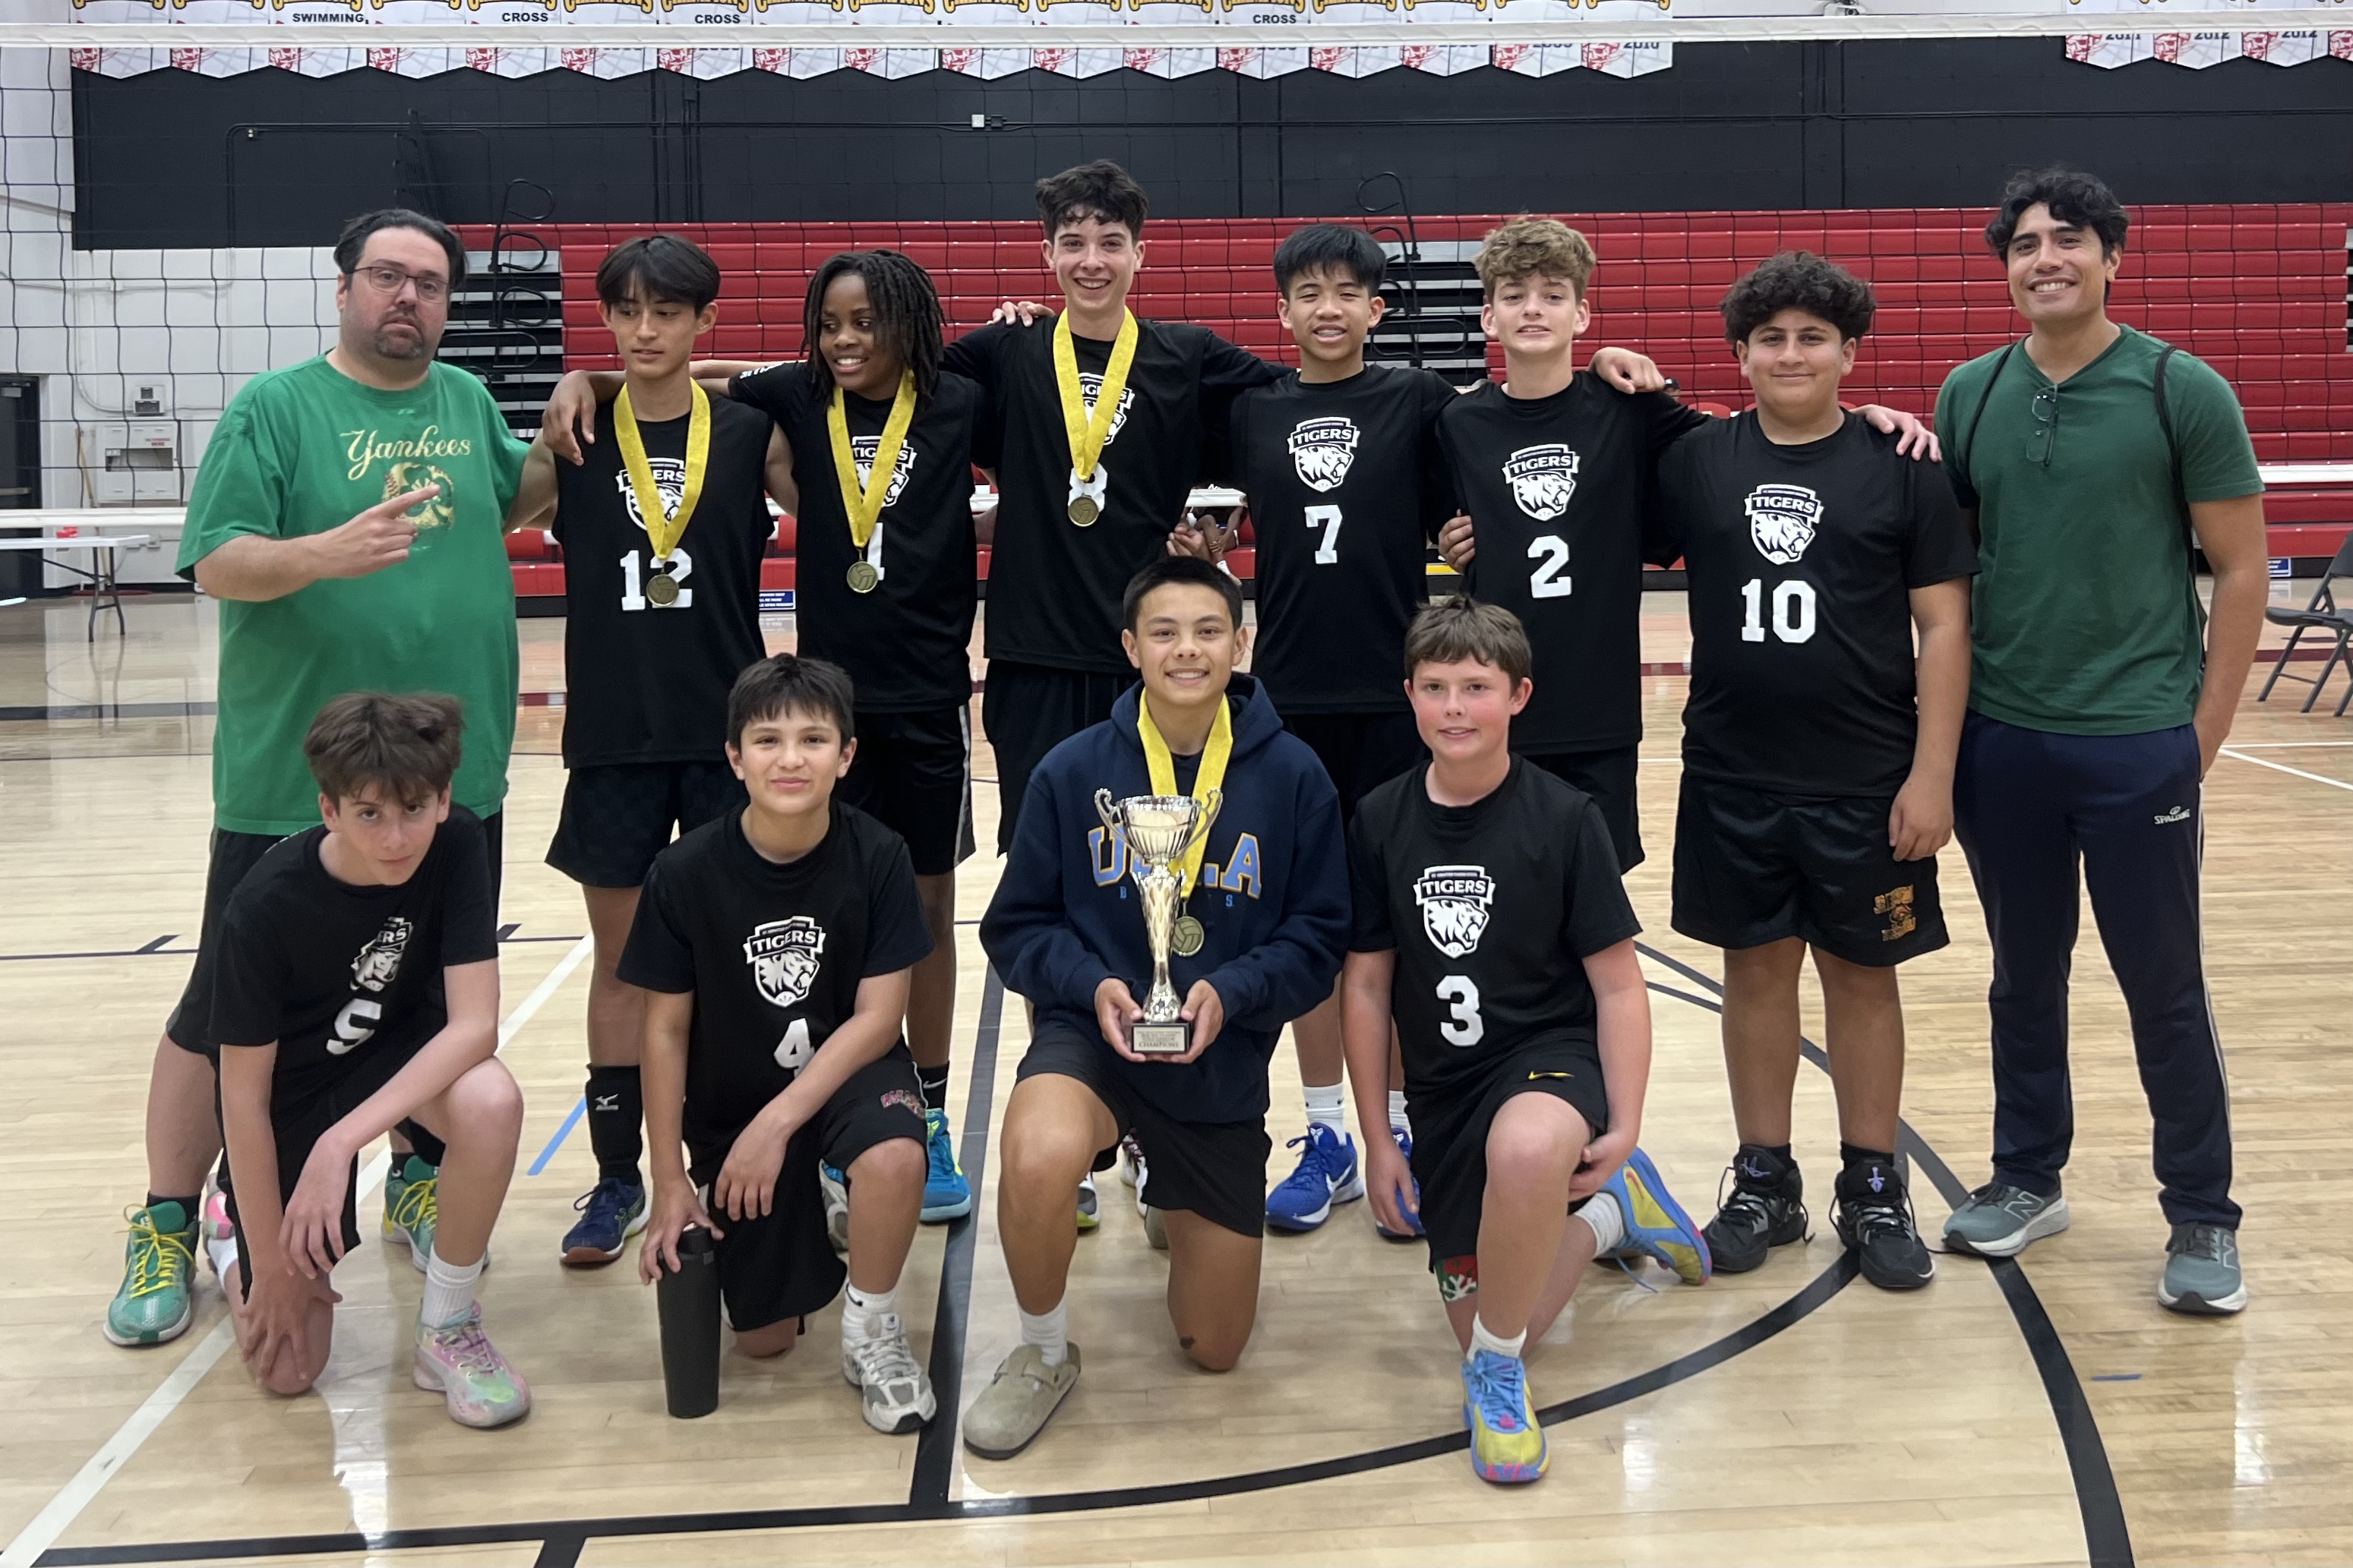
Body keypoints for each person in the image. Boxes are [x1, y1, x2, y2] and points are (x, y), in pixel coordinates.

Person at [109, 209, 533, 1349]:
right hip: (295, 784)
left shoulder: (467, 403)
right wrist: (323, 553)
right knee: (218, 1011)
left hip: (448, 783)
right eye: (387, 276)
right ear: (344, 288)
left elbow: (524, 494)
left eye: (430, 284)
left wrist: (592, 399)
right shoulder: (274, 407)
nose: (408, 298)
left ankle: (415, 1175)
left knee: (426, 1000)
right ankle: (167, 1216)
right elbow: (216, 561)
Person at [544, 249, 989, 1230]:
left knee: (911, 913)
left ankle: (911, 1113)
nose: (845, 341)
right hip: (777, 718)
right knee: (738, 940)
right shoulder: (782, 399)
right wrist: (585, 378)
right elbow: (671, 375)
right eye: (829, 324)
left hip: (904, 703)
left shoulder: (948, 403)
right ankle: (675, 1158)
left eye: (865, 322)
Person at [1931, 169, 2267, 1315]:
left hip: (2137, 742)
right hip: (2004, 741)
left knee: (2162, 986)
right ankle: (2027, 1177)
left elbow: (2239, 569)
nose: (2045, 258)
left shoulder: (2180, 387)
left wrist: (2202, 731)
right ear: (2005, 267)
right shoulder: (1969, 391)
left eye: (2067, 239)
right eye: (2023, 243)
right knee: (2022, 978)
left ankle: (2202, 1214)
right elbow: (1950, 576)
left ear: (2111, 257)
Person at [966, 557, 1347, 1460]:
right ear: (1130, 646)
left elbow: (1320, 935)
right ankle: (1041, 1351)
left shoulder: (1293, 775)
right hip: (1093, 1040)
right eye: (1164, 632)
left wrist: (1232, 989)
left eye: (1208, 631)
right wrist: (1089, 985)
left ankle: (1167, 1190)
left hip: (1217, 1060)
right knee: (1038, 1150)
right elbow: (1015, 926)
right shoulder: (1071, 770)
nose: (1187, 650)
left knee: (1214, 1348)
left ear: (1239, 644)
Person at [1650, 253, 1976, 1292]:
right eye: (1770, 339)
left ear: (1848, 352)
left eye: (1812, 338)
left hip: (1865, 776)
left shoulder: (1903, 464)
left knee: (1861, 976)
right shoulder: (1697, 460)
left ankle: (1872, 1184)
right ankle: (1764, 1181)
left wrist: (1932, 774)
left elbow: (1943, 625)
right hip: (1731, 770)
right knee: (1753, 971)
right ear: (1740, 354)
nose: (1790, 355)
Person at [1432, 218, 1936, 873]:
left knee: (1591, 887)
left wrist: (1863, 420)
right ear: (1488, 317)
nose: (1533, 309)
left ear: (1582, 314)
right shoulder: (1456, 422)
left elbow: (1758, 441)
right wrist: (1448, 536)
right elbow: (1439, 517)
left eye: (1553, 295)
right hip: (1491, 696)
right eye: (1514, 296)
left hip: (1599, 708)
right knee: (1497, 876)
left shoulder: (1629, 407)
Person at [1341, 598, 1707, 1487]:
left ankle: (1498, 1380)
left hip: (1547, 1060)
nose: (1454, 708)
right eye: (1435, 687)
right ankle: (1614, 1211)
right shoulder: (1380, 820)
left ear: (1518, 695)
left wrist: (1622, 1118)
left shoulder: (1565, 817)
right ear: (1408, 695)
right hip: (1442, 1089)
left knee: (1526, 1154)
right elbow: (1367, 985)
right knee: (1487, 1315)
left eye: (1476, 687)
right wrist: (1379, 1136)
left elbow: (1618, 985)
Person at [515, 235, 793, 1268]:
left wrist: (706, 374)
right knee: (624, 968)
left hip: (729, 744)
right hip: (614, 738)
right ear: (604, 318)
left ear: (703, 321)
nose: (644, 330)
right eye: (625, 311)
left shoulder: (753, 432)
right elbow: (488, 518)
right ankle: (617, 1176)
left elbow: (827, 442)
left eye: (667, 312)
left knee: (735, 960)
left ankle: (738, 1154)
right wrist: (573, 390)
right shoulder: (573, 438)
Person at [624, 655, 939, 1434]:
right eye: (767, 740)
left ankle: (872, 1328)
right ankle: (820, 1199)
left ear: (846, 755)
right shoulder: (682, 872)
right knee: (763, 1341)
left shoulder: (880, 855)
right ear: (735, 758)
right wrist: (668, 1179)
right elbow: (663, 1029)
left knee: (895, 1155)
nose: (790, 759)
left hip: (845, 1076)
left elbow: (879, 1019)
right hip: (734, 1097)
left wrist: (778, 1124)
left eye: (813, 739)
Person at [1214, 223, 1455, 1234]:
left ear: (1375, 310)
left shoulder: (1419, 402)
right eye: (1307, 292)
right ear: (1281, 312)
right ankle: (1326, 1137)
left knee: (1390, 931)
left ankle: (1398, 1129)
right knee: (1305, 927)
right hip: (1288, 704)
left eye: (1346, 292)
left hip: (1396, 701)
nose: (1327, 308)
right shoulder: (1250, 410)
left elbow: (1485, 484)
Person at [211, 693, 529, 1428]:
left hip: (392, 1052)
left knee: (491, 1101)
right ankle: (227, 1231)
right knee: (289, 1370)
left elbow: (475, 1025)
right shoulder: (262, 906)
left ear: (443, 798)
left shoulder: (458, 843)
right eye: (369, 814)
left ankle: (447, 1324)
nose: (395, 837)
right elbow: (242, 1100)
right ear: (329, 810)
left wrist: (343, 1142)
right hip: (292, 1091)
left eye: (414, 808)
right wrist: (273, 1268)